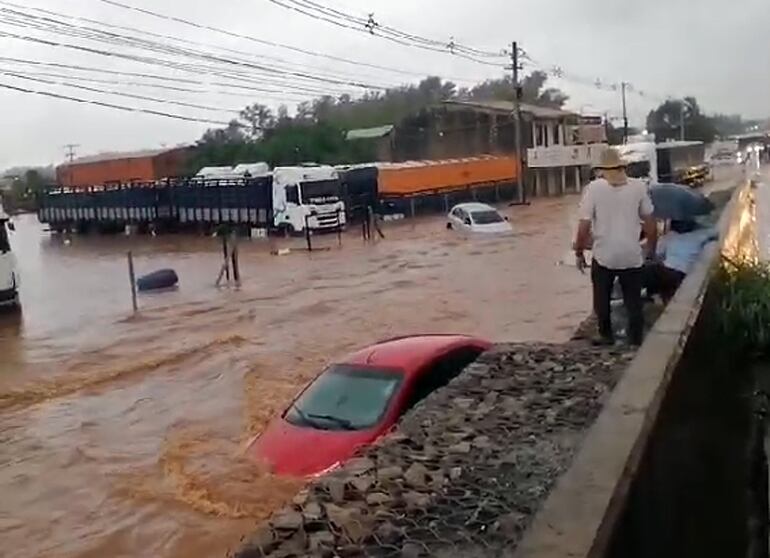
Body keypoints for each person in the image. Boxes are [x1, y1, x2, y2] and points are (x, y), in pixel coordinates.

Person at [574, 148, 657, 346]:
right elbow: (650, 223)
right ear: (622, 167)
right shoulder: (638, 187)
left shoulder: (594, 189)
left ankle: (606, 335)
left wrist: (578, 252)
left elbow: (584, 225)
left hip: (604, 255)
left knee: (601, 299)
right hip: (631, 255)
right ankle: (635, 340)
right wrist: (650, 249)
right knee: (633, 302)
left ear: (601, 169)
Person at [645, 220, 718, 302]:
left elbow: (658, 254)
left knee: (646, 271)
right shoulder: (699, 235)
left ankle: (647, 296)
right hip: (682, 274)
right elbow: (715, 232)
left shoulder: (669, 236)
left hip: (668, 272)